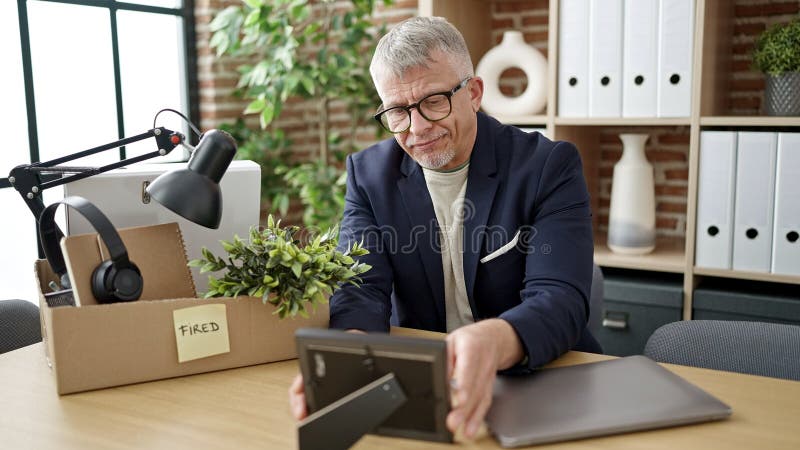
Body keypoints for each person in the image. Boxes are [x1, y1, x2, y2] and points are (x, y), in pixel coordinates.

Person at [289, 16, 600, 439]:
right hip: (426, 387)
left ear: (473, 93)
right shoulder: (368, 176)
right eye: (398, 111)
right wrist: (351, 354)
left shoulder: (547, 167)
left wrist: (494, 340)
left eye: (434, 101)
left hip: (542, 378)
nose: (417, 129)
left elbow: (562, 298)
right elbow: (361, 288)